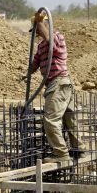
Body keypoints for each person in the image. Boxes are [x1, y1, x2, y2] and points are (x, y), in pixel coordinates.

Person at [27, 11, 87, 163]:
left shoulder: (57, 37)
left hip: (59, 83)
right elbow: (35, 62)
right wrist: (28, 72)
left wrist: (39, 22)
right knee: (69, 118)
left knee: (51, 120)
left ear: (46, 25)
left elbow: (50, 41)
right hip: (58, 85)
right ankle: (78, 148)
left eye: (38, 29)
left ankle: (61, 154)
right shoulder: (41, 46)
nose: (38, 34)